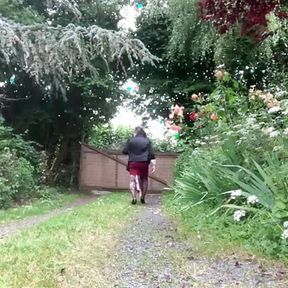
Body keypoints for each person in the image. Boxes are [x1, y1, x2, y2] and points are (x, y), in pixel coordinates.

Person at [122, 127, 156, 204]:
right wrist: (153, 164)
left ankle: (134, 197)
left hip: (133, 162)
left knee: (132, 180)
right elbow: (151, 153)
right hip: (144, 163)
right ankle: (143, 197)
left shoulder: (130, 140)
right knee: (144, 179)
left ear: (136, 132)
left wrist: (131, 152)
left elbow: (124, 151)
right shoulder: (147, 141)